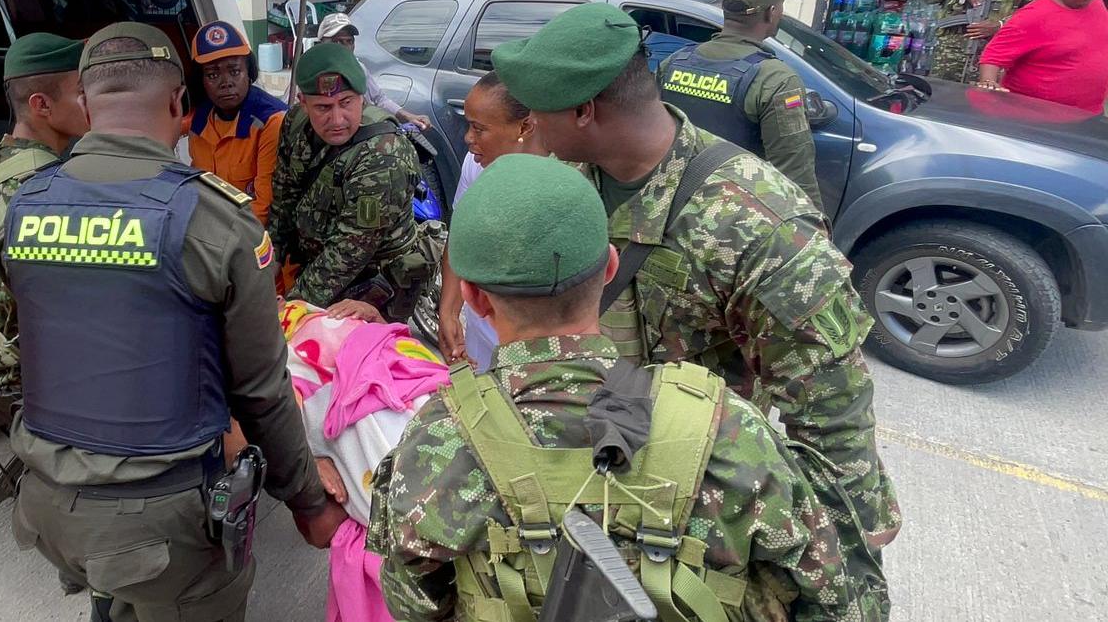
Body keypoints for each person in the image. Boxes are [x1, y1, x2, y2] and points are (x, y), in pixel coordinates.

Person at [492, 3, 897, 600]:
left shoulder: (759, 224)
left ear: (584, 111)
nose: (525, 124)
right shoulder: (569, 182)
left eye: (536, 110)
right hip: (587, 482)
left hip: (696, 502)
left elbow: (831, 412)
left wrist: (843, 565)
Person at [368, 154, 879, 621]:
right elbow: (835, 598)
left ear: (476, 300)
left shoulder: (439, 439)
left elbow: (413, 602)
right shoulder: (730, 428)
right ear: (610, 267)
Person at [3, 22, 345, 621]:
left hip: (46, 502)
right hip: (161, 522)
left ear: (84, 104)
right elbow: (260, 389)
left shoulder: (25, 203)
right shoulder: (213, 219)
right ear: (180, 106)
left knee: (116, 603)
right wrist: (307, 500)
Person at [0, 32, 87, 390]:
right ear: (41, 105)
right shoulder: (48, 189)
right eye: (82, 93)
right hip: (31, 376)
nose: (93, 102)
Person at [269, 42, 433, 322]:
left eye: (346, 103)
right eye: (323, 107)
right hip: (320, 266)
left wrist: (291, 309)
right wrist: (267, 264)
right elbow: (283, 199)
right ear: (302, 102)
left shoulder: (383, 153)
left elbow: (349, 251)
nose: (337, 119)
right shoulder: (295, 123)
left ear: (362, 98)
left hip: (375, 287)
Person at [658, 0, 823, 208]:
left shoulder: (672, 63)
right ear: (772, 12)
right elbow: (794, 173)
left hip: (669, 206)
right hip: (732, 217)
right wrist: (815, 227)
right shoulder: (776, 79)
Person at [435, 71, 543, 368]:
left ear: (524, 126)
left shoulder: (559, 187)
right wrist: (449, 310)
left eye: (478, 129)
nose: (468, 138)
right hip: (480, 333)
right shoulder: (476, 163)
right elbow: (461, 232)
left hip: (530, 351)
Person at [976, 0, 1108, 115]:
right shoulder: (1033, 16)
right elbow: (993, 56)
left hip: (1088, 113)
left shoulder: (1097, 4)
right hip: (1037, 115)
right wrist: (988, 83)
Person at [187, 20, 287, 226]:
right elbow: (198, 186)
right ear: (201, 81)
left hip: (252, 235)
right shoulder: (199, 119)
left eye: (234, 71)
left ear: (249, 73)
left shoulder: (271, 121)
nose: (226, 83)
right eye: (212, 74)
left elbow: (264, 207)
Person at [318, 13, 432, 131]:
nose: (346, 47)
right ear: (322, 43)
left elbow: (380, 100)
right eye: (338, 42)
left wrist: (409, 117)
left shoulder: (359, 68)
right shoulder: (314, 76)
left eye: (349, 41)